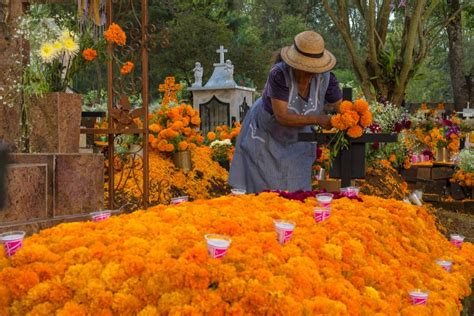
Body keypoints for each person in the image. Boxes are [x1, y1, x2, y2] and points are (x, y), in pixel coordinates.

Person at [228, 31, 342, 193]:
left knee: (298, 191)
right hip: (267, 136)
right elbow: (282, 116)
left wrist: (351, 118)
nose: (309, 72)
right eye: (305, 66)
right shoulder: (279, 75)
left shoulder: (327, 79)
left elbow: (342, 107)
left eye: (313, 68)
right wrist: (318, 119)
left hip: (298, 140)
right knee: (267, 193)